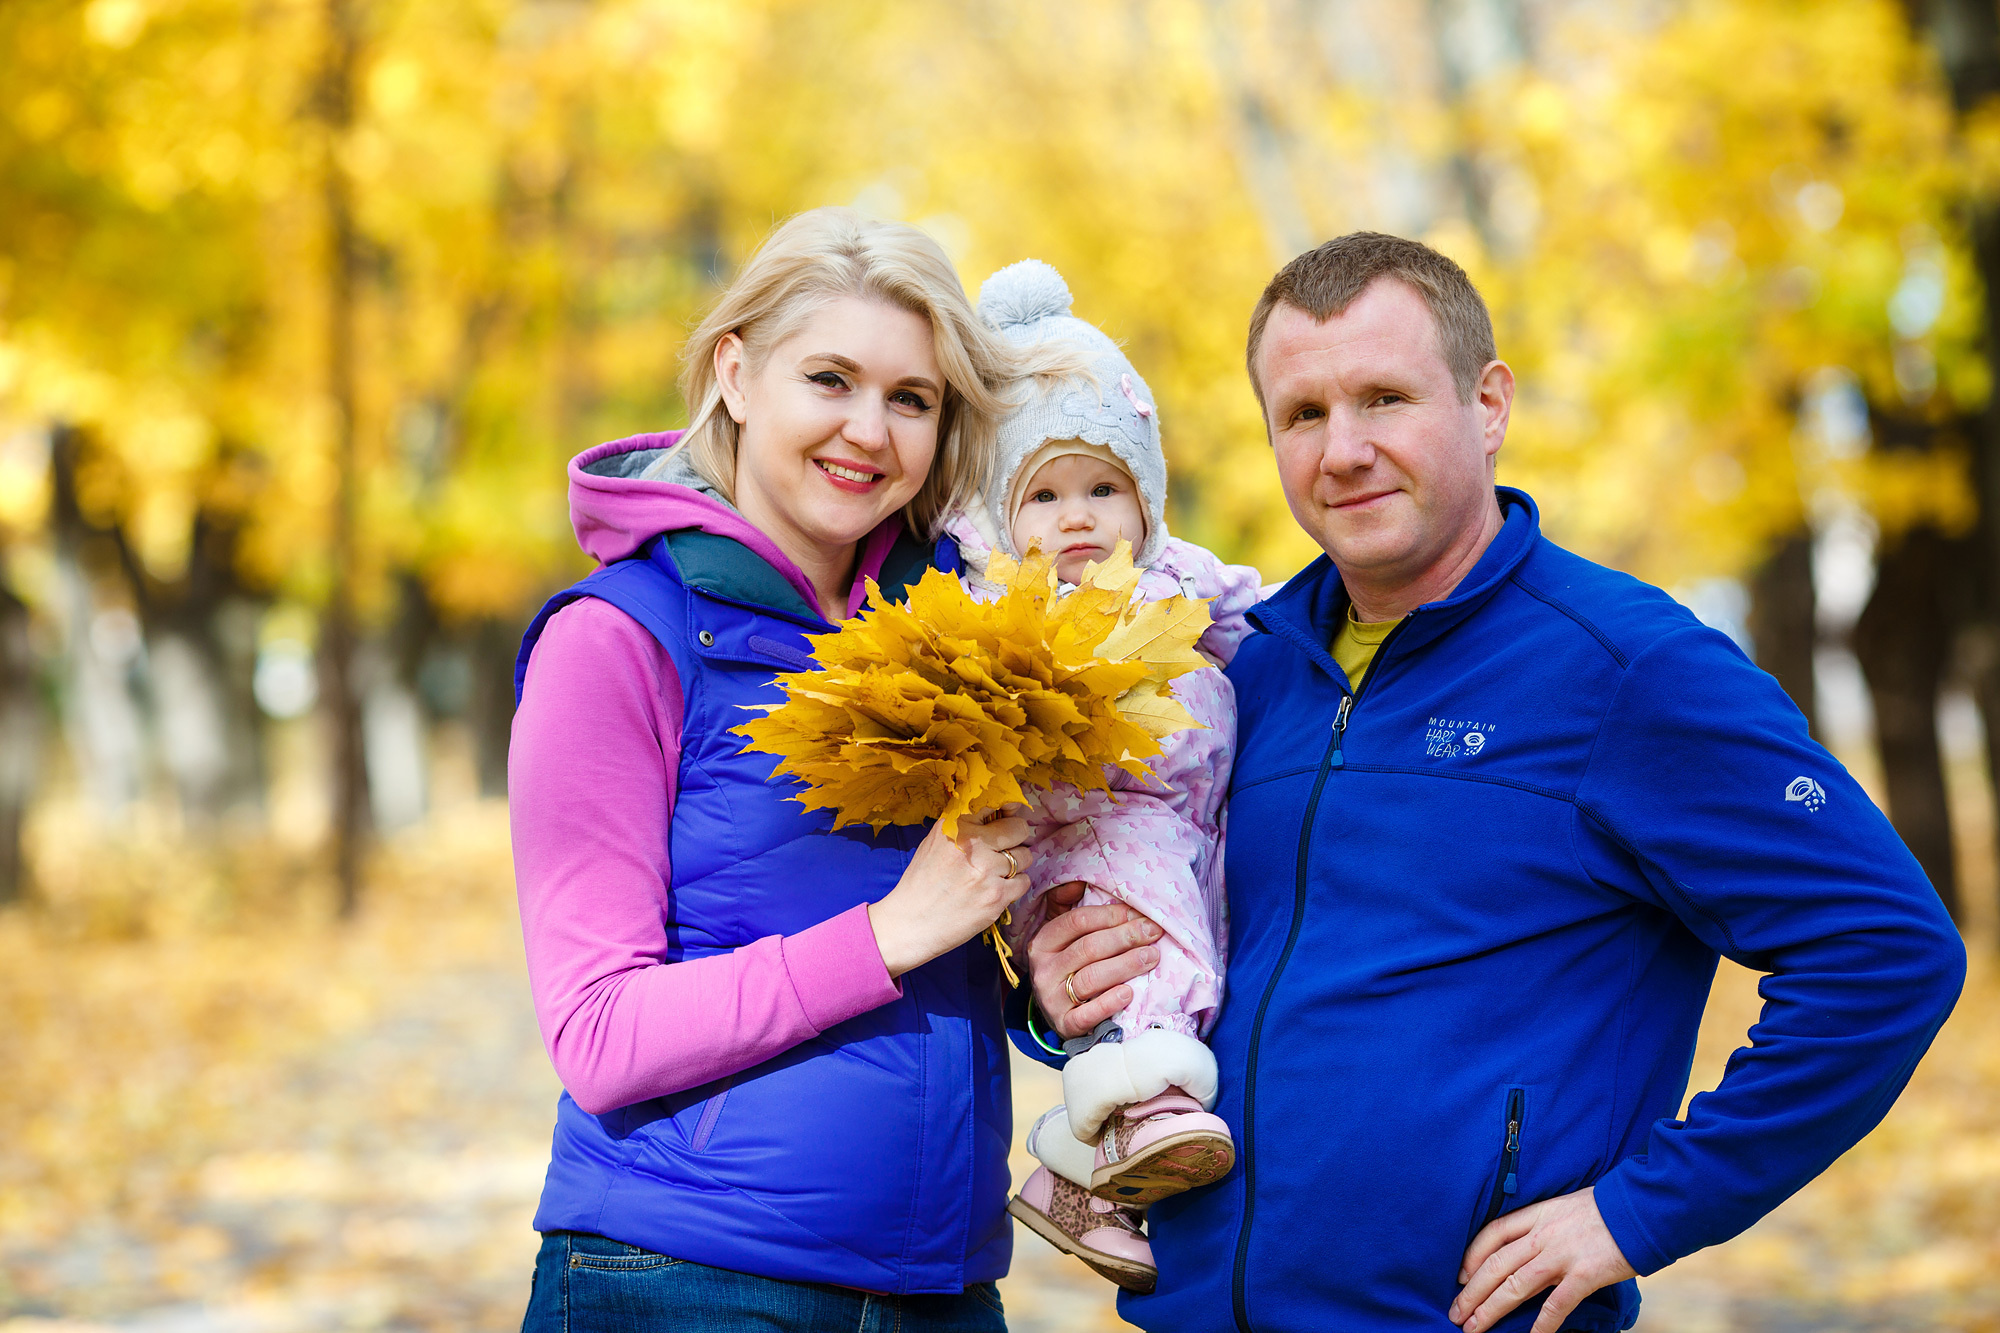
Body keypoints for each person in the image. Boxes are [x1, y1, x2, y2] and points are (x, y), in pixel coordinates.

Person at [1017, 232, 1967, 1333]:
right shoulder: (1239, 671)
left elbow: (1887, 950)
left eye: (1384, 398)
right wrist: (1050, 985)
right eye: (1303, 414)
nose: (1344, 450)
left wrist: (1634, 1214)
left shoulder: (1626, 668)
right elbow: (1148, 889)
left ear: (1488, 404)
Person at [510, 207, 1043, 1332]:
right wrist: (886, 934)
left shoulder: (964, 641)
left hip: (941, 1291)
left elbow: (968, 944)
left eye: (911, 398)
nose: (869, 430)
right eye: (830, 379)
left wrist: (1049, 978)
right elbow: (598, 1034)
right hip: (685, 1279)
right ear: (736, 375)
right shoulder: (616, 640)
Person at [939, 261, 1262, 1294]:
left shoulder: (1178, 581)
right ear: (1003, 514)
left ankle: (1079, 1184)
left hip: (1180, 831)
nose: (1075, 517)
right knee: (1155, 955)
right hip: (1086, 835)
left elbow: (1267, 618)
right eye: (1042, 494)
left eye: (1103, 489)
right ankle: (1150, 1101)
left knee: (1180, 943)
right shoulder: (1009, 610)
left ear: (1145, 497)